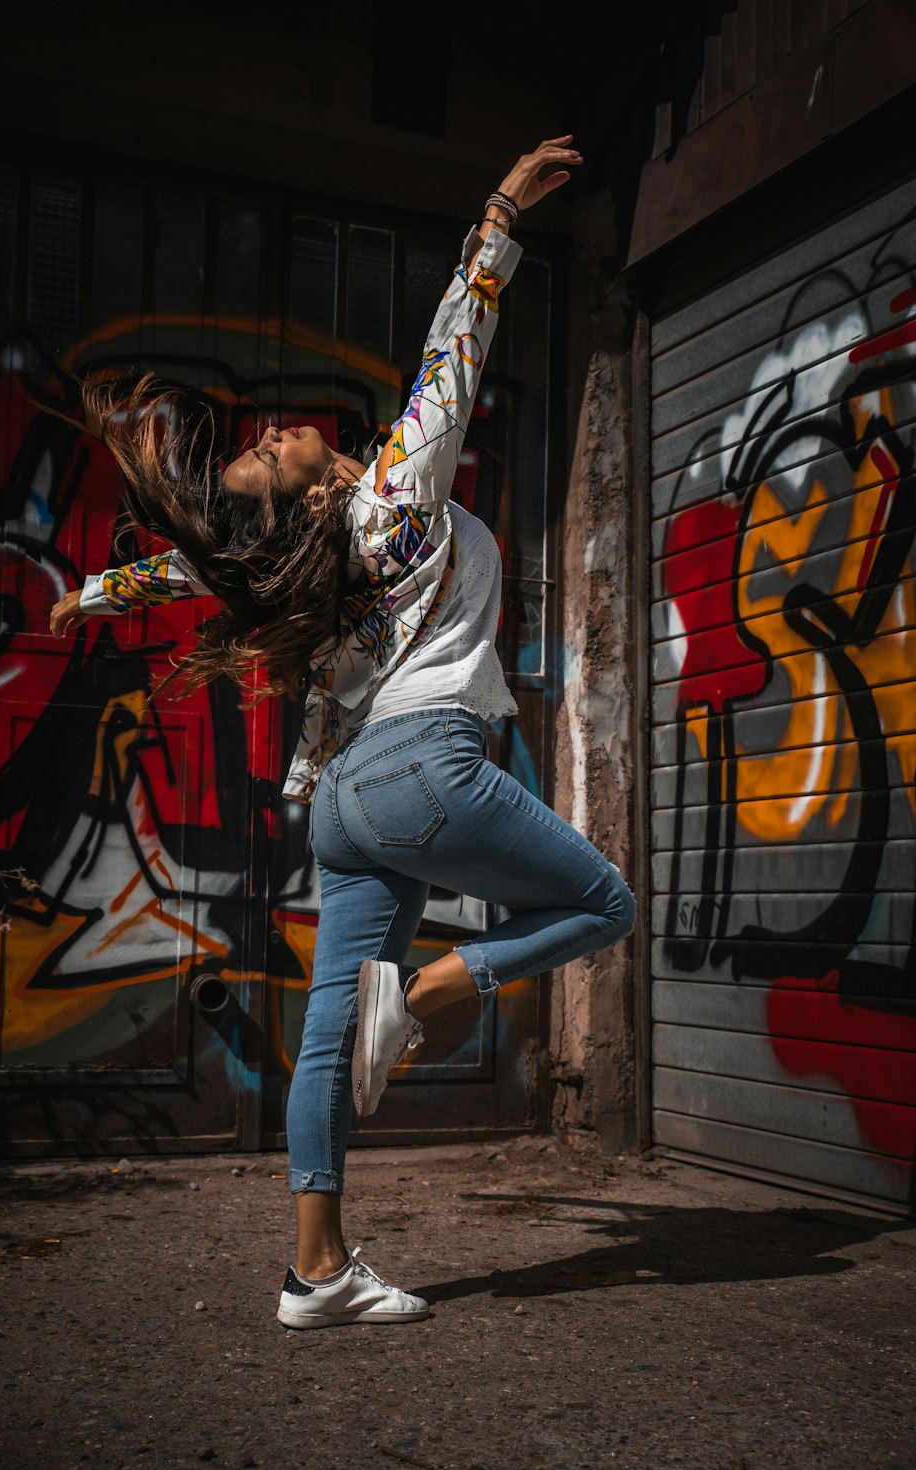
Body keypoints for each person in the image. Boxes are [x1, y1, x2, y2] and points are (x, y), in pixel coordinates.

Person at [50, 136, 635, 1330]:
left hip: (349, 804)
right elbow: (450, 351)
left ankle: (315, 1275)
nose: (277, 434)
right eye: (272, 450)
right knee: (605, 905)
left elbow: (192, 566)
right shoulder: (392, 501)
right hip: (426, 771)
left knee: (325, 1032)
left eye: (272, 439)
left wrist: (96, 597)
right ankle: (420, 993)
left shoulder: (307, 551)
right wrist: (498, 219)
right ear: (321, 487)